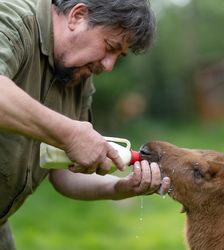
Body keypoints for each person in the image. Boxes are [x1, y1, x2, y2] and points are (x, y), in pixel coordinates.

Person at [0, 0, 171, 249]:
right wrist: (68, 134)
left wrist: (119, 187)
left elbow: (62, 172)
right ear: (77, 16)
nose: (109, 66)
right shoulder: (12, 20)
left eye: (118, 56)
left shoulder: (78, 76)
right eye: (110, 47)